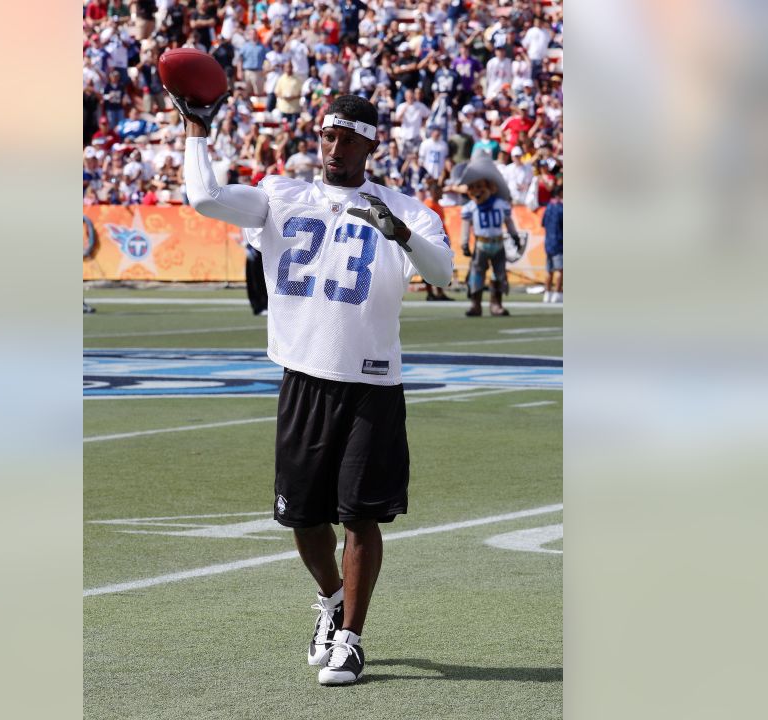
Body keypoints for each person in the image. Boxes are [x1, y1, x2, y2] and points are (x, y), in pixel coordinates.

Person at [176, 91, 452, 686]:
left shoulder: (407, 208)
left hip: (371, 381)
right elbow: (205, 197)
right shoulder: (283, 194)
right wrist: (197, 131)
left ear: (373, 145)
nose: (334, 148)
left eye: (348, 139)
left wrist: (398, 231)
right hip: (303, 374)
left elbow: (443, 273)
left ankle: (351, 639)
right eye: (328, 136)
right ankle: (330, 599)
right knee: (302, 517)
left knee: (360, 515)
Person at [458, 153, 524, 317]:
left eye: (481, 187)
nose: (477, 192)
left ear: (492, 188)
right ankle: (476, 304)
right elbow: (465, 227)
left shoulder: (501, 205)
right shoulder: (470, 207)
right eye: (473, 188)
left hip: (498, 243)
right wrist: (464, 242)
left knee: (499, 274)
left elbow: (509, 223)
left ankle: (496, 304)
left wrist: (514, 236)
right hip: (481, 244)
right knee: (476, 274)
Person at [541, 185, 563, 303]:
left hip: (548, 243)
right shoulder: (561, 208)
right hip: (559, 243)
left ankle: (547, 293)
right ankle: (558, 294)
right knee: (561, 270)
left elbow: (543, 223)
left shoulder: (548, 207)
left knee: (549, 271)